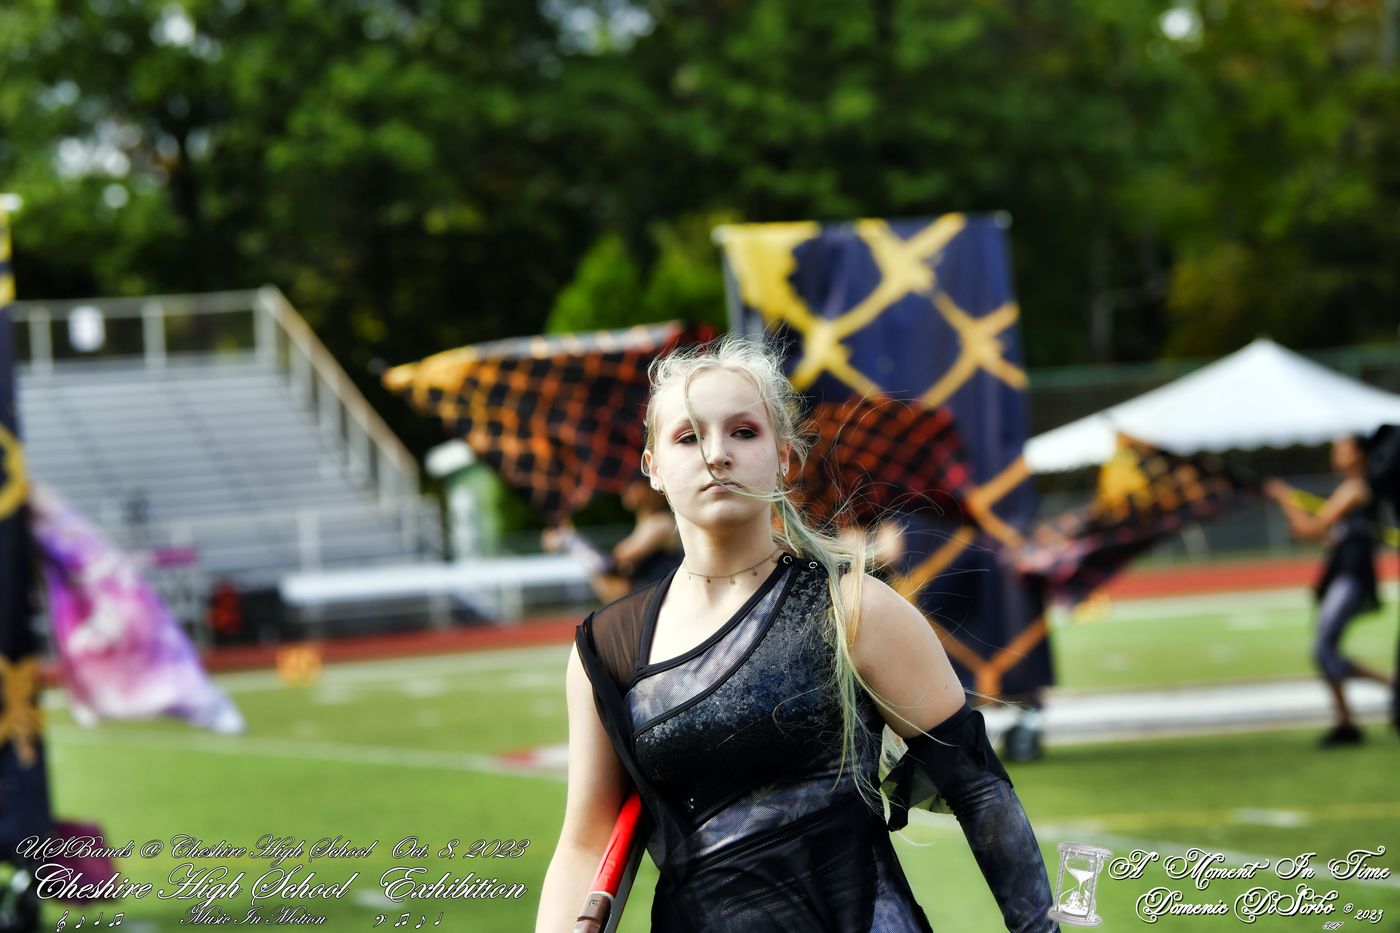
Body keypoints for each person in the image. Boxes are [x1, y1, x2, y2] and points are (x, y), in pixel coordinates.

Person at [536, 334, 1058, 932]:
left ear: (783, 457)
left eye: (744, 432)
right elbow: (586, 841)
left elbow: (980, 793)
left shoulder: (852, 606)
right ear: (652, 467)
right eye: (688, 437)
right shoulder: (606, 648)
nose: (717, 454)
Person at [1265, 434, 1395, 747]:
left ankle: (1351, 718)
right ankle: (1347, 718)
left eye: (1342, 450)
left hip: (1351, 577)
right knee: (1326, 650)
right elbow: (1323, 535)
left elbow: (1310, 529)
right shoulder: (1351, 490)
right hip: (1343, 576)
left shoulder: (1356, 489)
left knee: (1324, 650)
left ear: (1360, 455)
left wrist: (1285, 499)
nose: (1335, 455)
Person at [542, 474, 684, 603]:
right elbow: (615, 584)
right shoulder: (643, 526)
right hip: (647, 605)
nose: (625, 489)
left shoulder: (663, 523)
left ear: (651, 488)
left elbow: (618, 557)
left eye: (633, 484)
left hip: (666, 604)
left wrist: (572, 542)